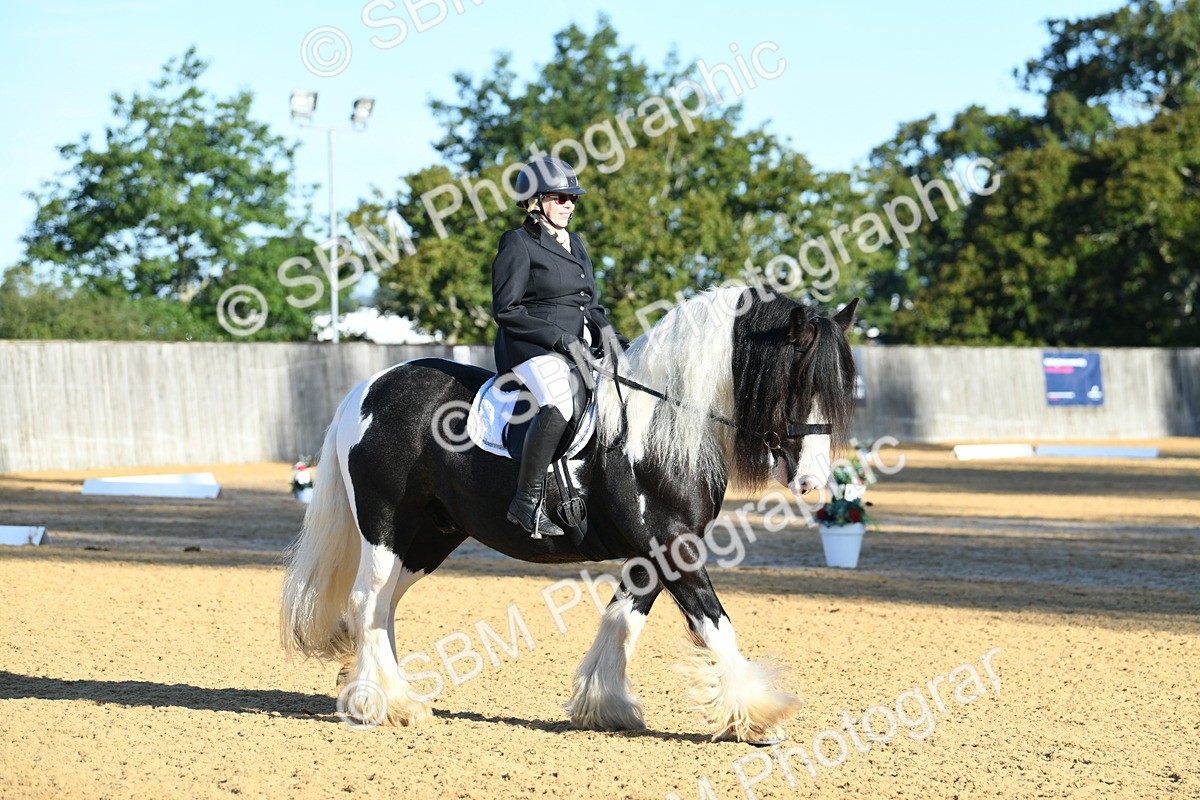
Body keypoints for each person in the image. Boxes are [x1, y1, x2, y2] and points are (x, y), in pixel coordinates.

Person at [491, 157, 629, 538]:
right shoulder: (517, 243)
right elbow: (506, 310)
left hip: (577, 346)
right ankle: (526, 500)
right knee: (561, 397)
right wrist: (558, 338)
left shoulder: (576, 243)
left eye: (573, 198)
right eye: (560, 197)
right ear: (534, 201)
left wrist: (614, 338)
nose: (569, 204)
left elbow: (591, 305)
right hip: (531, 347)